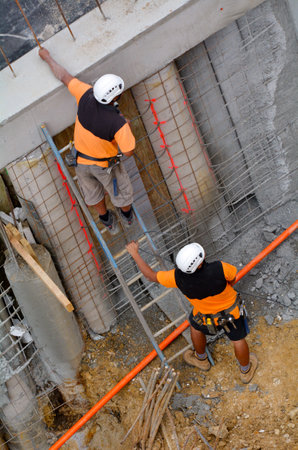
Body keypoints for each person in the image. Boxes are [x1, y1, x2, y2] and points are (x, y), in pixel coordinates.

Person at [126, 241, 258, 384]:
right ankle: (245, 371)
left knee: (195, 326)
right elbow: (232, 279)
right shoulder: (219, 267)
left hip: (206, 317)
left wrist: (135, 254)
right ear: (200, 263)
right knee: (237, 340)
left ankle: (201, 360)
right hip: (232, 314)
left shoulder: (177, 277)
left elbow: (150, 276)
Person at [39, 48, 135, 234]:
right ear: (115, 97)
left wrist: (47, 58)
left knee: (93, 193)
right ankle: (126, 214)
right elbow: (129, 152)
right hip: (105, 166)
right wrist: (127, 126)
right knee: (122, 192)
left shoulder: (85, 94)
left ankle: (106, 219)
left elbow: (64, 76)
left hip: (81, 162)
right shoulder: (118, 123)